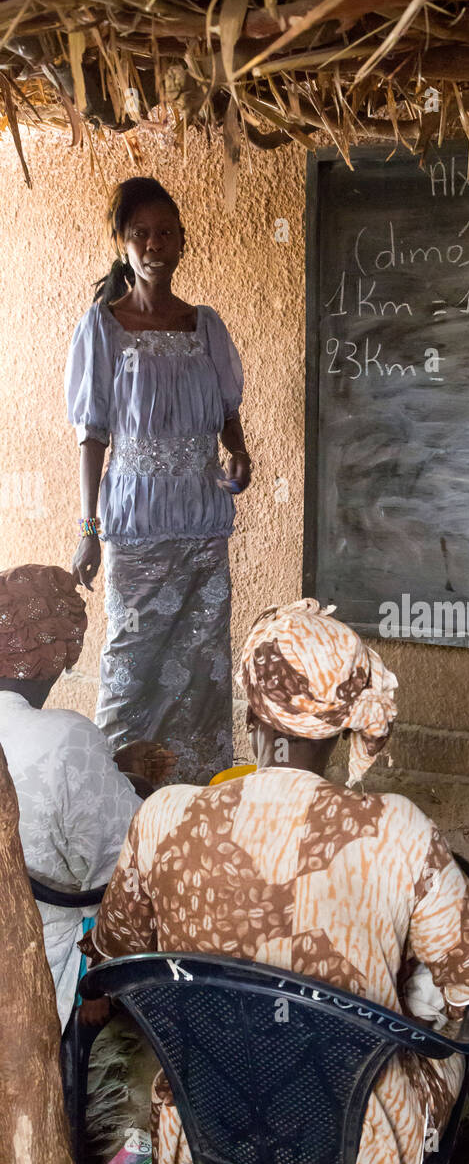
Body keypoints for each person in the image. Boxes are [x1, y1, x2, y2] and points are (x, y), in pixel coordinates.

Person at [82, 599, 469, 1164]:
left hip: (208, 1099)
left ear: (252, 713)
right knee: (449, 1006)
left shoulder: (164, 817)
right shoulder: (398, 831)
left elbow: (114, 953)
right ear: (344, 726)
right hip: (355, 1126)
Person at [65, 175, 252, 785]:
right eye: (140, 233)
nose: (154, 244)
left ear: (182, 241)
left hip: (202, 523)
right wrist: (89, 528)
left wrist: (239, 453)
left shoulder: (206, 326)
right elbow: (93, 433)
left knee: (201, 669)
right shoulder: (103, 327)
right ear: (122, 243)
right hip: (137, 528)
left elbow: (227, 412)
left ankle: (193, 796)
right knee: (130, 666)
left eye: (165, 232)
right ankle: (120, 798)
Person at [0, 564, 174, 1032]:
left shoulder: (55, 741)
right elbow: (125, 862)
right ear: (59, 652)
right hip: (40, 959)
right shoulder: (64, 738)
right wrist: (149, 794)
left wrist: (113, 770)